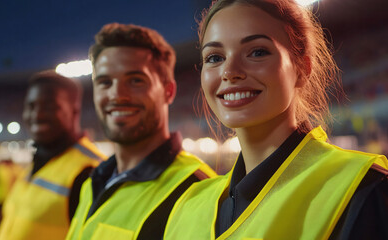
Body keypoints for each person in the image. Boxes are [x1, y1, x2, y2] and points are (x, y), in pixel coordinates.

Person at [164, 0, 388, 240]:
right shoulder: (187, 205)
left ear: (302, 68)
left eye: (257, 52)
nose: (229, 71)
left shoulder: (362, 189)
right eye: (214, 57)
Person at [66, 23, 217, 240]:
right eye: (105, 82)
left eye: (136, 80)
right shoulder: (92, 183)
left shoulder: (196, 190)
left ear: (168, 91)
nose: (117, 95)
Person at [0, 71, 106, 240]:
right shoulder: (36, 164)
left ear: (75, 111)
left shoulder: (90, 172)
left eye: (49, 107)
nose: (37, 115)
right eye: (31, 106)